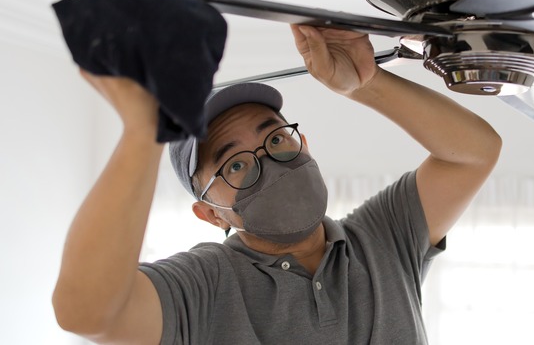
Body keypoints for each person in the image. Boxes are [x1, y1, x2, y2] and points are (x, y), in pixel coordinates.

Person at [52, 24, 502, 344]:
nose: (267, 160)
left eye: (275, 137)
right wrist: (146, 128)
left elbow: (473, 153)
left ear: (303, 142)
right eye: (234, 165)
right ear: (210, 213)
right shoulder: (202, 286)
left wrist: (366, 84)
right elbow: (85, 311)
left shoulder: (383, 238)